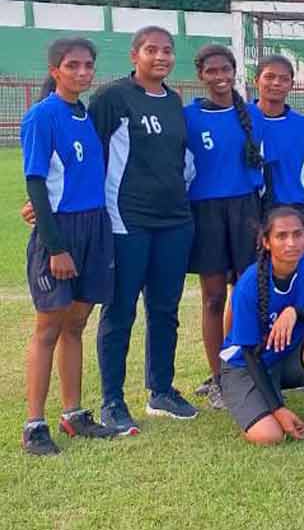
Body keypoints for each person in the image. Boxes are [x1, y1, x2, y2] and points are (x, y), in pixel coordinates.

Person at [91, 26, 196, 432]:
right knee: (119, 310)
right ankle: (112, 401)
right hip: (126, 221)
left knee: (165, 309)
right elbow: (89, 157)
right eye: (151, 50)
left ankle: (162, 390)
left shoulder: (174, 101)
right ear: (135, 55)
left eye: (167, 51)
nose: (161, 57)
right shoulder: (113, 98)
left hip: (174, 222)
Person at [20, 39, 118, 455]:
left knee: (76, 325)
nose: (82, 72)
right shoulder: (43, 115)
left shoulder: (86, 115)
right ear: (55, 69)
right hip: (60, 232)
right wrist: (54, 245)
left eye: (88, 66)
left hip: (95, 225)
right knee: (49, 328)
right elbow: (36, 182)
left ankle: (74, 413)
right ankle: (34, 424)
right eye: (72, 65)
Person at [219, 207, 304, 445]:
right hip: (245, 367)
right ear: (266, 242)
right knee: (270, 437)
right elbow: (249, 354)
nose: (291, 243)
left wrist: (295, 312)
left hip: (286, 357)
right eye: (282, 236)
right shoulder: (250, 283)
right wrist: (278, 409)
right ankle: (252, 401)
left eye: (297, 234)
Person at [183, 44, 268, 410]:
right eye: (212, 71)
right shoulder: (189, 116)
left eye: (226, 70)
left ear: (235, 72)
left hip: (247, 211)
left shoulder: (251, 115)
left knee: (246, 294)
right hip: (207, 213)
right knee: (214, 296)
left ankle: (246, 367)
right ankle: (217, 376)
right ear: (201, 75)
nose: (220, 78)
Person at [257, 54, 304, 248]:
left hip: (294, 212)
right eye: (269, 77)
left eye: (284, 79)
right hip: (252, 213)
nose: (276, 83)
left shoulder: (303, 126)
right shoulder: (243, 120)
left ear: (291, 84)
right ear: (256, 79)